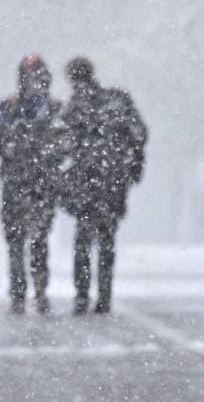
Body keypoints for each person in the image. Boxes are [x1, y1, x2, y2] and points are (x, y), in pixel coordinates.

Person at [60, 57, 147, 315]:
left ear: (72, 79)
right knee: (107, 240)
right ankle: (104, 295)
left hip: (87, 183)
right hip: (113, 182)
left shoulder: (74, 108)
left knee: (83, 240)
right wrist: (127, 165)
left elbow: (61, 145)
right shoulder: (118, 100)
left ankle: (82, 294)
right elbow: (139, 135)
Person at [0, 55, 65, 314]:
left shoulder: (54, 109)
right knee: (19, 240)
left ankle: (37, 290)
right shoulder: (9, 108)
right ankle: (21, 292)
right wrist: (12, 145)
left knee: (37, 238)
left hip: (37, 182)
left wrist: (44, 151)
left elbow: (66, 142)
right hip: (19, 181)